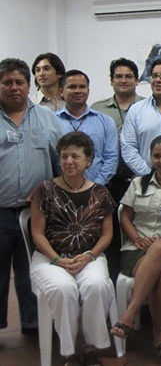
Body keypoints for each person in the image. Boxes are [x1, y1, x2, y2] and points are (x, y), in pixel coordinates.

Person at [29, 131, 116, 366]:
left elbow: (107, 234)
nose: (69, 162)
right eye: (64, 156)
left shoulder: (100, 193)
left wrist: (89, 256)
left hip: (90, 256)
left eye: (75, 157)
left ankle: (91, 347)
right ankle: (68, 352)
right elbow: (37, 234)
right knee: (63, 288)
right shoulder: (44, 190)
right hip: (49, 258)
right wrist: (58, 260)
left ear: (89, 161)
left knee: (97, 285)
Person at [110, 135, 161, 357]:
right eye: (157, 156)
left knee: (159, 251)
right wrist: (137, 239)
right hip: (135, 250)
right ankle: (159, 333)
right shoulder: (138, 184)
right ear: (151, 158)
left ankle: (129, 314)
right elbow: (125, 217)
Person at [0, 58, 64, 337]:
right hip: (0, 211)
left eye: (19, 82)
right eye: (7, 83)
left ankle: (32, 322)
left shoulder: (48, 119)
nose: (14, 88)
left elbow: (61, 163)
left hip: (36, 213)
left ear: (29, 85)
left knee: (31, 270)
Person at [92, 58, 146, 282]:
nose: (123, 81)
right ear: (111, 80)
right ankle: (113, 287)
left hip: (141, 181)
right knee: (111, 236)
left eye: (128, 76)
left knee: (139, 233)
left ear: (137, 80)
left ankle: (142, 294)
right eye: (118, 76)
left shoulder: (147, 105)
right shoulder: (97, 109)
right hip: (109, 183)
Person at [56, 69, 118, 186]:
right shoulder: (52, 121)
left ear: (88, 90)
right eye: (72, 87)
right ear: (61, 92)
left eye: (82, 87)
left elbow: (111, 158)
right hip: (61, 190)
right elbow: (52, 159)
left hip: (98, 188)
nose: (78, 91)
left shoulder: (105, 121)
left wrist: (94, 187)